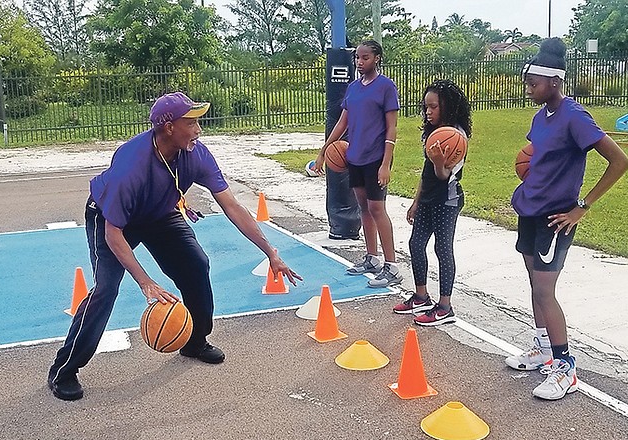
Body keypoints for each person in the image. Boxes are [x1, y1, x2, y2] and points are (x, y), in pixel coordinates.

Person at [48, 92, 302, 401]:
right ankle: (64, 369)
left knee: (196, 265)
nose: (199, 130)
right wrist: (146, 282)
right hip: (112, 219)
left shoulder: (196, 154)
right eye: (191, 122)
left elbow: (232, 206)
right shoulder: (131, 165)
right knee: (105, 288)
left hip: (159, 214)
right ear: (168, 127)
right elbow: (114, 234)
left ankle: (195, 341)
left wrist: (270, 252)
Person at [505, 38, 628, 400]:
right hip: (529, 208)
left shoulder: (575, 116)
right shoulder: (540, 115)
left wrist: (583, 206)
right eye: (527, 83)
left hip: (555, 217)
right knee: (534, 283)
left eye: (534, 83)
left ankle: (565, 366)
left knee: (545, 289)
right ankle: (544, 348)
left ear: (555, 82)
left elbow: (620, 161)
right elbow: (535, 157)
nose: (528, 89)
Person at [314, 39, 402, 288]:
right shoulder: (353, 88)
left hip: (376, 157)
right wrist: (324, 151)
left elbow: (392, 128)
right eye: (357, 58)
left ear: (377, 58)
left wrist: (386, 164)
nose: (360, 62)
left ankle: (392, 266)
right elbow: (342, 123)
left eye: (365, 57)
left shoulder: (386, 87)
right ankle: (372, 258)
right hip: (355, 156)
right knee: (363, 207)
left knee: (377, 209)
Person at [392, 80, 472, 325]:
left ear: (447, 106)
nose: (428, 112)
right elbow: (426, 174)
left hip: (447, 200)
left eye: (434, 107)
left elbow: (444, 175)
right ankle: (421, 296)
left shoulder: (457, 137)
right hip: (428, 199)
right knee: (416, 244)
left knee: (442, 249)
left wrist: (439, 161)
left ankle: (445, 306)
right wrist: (416, 201)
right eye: (426, 107)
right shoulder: (434, 132)